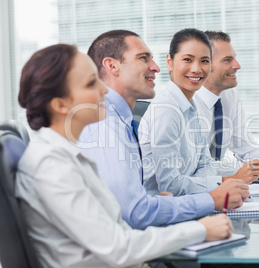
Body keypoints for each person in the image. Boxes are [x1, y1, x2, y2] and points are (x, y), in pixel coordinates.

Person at [16, 44, 233, 268]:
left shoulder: (68, 154)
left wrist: (161, 205)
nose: (104, 89)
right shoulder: (51, 164)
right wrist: (200, 230)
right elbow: (117, 248)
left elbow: (116, 224)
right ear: (60, 104)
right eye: (91, 83)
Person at [78, 30, 249, 230]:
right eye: (143, 58)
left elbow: (205, 164)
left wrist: (168, 201)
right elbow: (137, 212)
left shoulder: (125, 120)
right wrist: (211, 199)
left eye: (204, 61)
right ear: (112, 66)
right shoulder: (105, 124)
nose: (155, 67)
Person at [139, 28, 259, 197]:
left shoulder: (190, 105)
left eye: (204, 61)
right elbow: (171, 186)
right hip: (165, 212)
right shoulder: (167, 110)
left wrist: (199, 181)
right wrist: (226, 182)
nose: (196, 69)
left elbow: (206, 165)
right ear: (170, 62)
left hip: (189, 201)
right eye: (187, 60)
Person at [193, 30, 259, 176]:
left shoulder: (229, 95)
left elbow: (245, 146)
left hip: (217, 186)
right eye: (227, 60)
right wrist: (257, 167)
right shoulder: (187, 103)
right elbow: (197, 166)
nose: (237, 65)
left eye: (234, 59)